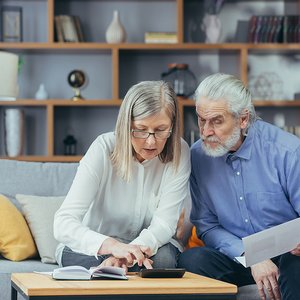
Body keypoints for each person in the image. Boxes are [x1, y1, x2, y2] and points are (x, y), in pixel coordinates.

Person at [178, 73, 300, 300]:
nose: (205, 132)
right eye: (201, 120)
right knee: (191, 261)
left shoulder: (287, 151)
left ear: (243, 119)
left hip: (287, 255)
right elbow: (207, 226)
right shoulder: (197, 156)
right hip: (239, 256)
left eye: (216, 121)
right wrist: (250, 255)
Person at [54, 80, 191, 272]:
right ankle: (114, 268)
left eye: (161, 130)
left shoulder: (180, 150)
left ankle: (113, 270)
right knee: (77, 257)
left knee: (164, 262)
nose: (151, 141)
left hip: (149, 247)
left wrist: (129, 255)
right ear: (126, 125)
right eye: (141, 130)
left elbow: (164, 223)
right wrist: (113, 247)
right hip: (100, 244)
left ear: (172, 126)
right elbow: (63, 223)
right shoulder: (103, 148)